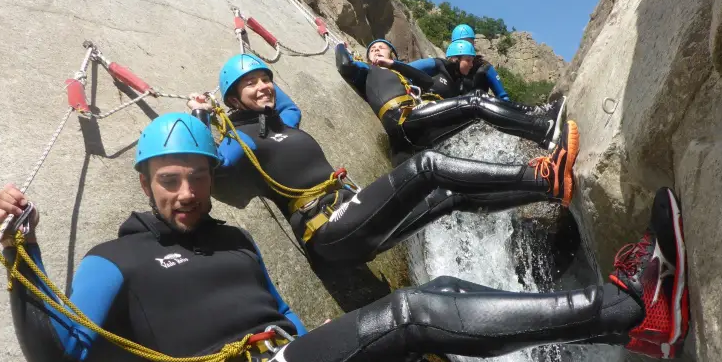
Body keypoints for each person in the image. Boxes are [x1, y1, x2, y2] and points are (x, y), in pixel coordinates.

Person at [0, 112, 692, 362]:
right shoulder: (116, 260)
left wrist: (326, 345)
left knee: (440, 297)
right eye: (170, 182)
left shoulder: (232, 239)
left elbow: (278, 309)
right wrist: (23, 262)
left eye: (197, 179)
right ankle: (632, 312)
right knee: (410, 315)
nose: (187, 194)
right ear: (145, 182)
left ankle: (627, 306)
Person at [189, 53, 579, 266]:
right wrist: (204, 115)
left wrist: (253, 66)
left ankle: (546, 187)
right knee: (427, 166)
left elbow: (287, 101)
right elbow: (214, 166)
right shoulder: (242, 138)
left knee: (452, 197)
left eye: (264, 79)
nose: (262, 87)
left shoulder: (284, 120)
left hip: (354, 219)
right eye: (249, 84)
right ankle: (537, 171)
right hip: (328, 230)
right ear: (233, 99)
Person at [335, 39, 566, 166]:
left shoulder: (397, 71)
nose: (376, 51)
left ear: (392, 54)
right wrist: (340, 46)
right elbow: (346, 65)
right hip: (409, 122)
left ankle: (540, 140)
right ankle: (543, 126)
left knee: (474, 113)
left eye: (381, 48)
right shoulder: (369, 70)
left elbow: (426, 81)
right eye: (372, 50)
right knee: (475, 102)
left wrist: (393, 65)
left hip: (419, 125)